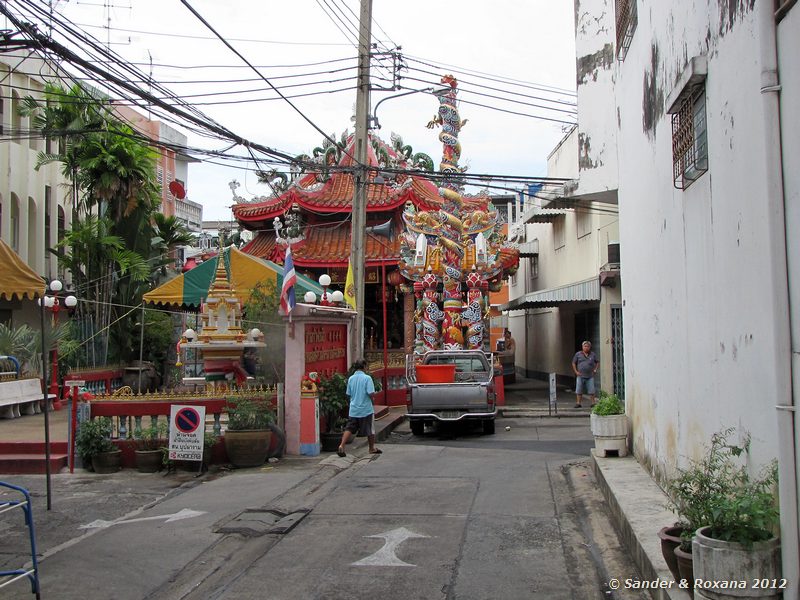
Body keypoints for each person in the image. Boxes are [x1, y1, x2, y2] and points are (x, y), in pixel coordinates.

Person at [337, 359, 381, 457]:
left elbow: (348, 394)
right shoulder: (367, 378)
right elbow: (371, 393)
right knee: (370, 429)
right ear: (364, 367)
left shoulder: (351, 378)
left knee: (349, 428)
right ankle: (371, 448)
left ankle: (342, 445)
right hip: (366, 409)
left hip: (354, 409)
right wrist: (372, 399)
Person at [572, 341, 599, 408]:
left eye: (588, 346)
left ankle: (593, 403)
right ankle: (578, 403)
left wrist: (595, 369)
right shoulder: (578, 354)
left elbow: (597, 362)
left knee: (591, 390)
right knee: (579, 389)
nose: (586, 348)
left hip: (590, 376)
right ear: (582, 347)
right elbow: (573, 363)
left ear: (590, 347)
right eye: (585, 346)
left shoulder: (593, 354)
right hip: (580, 375)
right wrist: (576, 371)